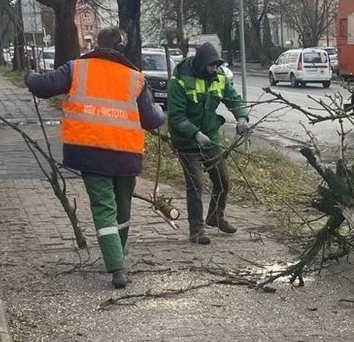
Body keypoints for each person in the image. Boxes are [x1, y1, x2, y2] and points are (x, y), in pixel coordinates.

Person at [25, 27, 166, 289]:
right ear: (121, 47)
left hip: (91, 153)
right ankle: (118, 255)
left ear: (97, 45)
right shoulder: (135, 78)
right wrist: (160, 111)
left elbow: (42, 87)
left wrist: (29, 75)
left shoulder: (76, 69)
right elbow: (151, 120)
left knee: (104, 208)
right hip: (126, 155)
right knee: (122, 207)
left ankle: (116, 266)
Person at [166, 42, 250, 245]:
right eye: (211, 65)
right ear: (202, 63)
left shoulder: (219, 77)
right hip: (186, 141)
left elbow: (233, 98)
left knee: (222, 180)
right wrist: (194, 133)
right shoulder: (179, 81)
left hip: (210, 137)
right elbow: (176, 116)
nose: (214, 69)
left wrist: (241, 117)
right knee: (195, 185)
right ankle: (196, 230)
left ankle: (215, 216)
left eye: (216, 65)